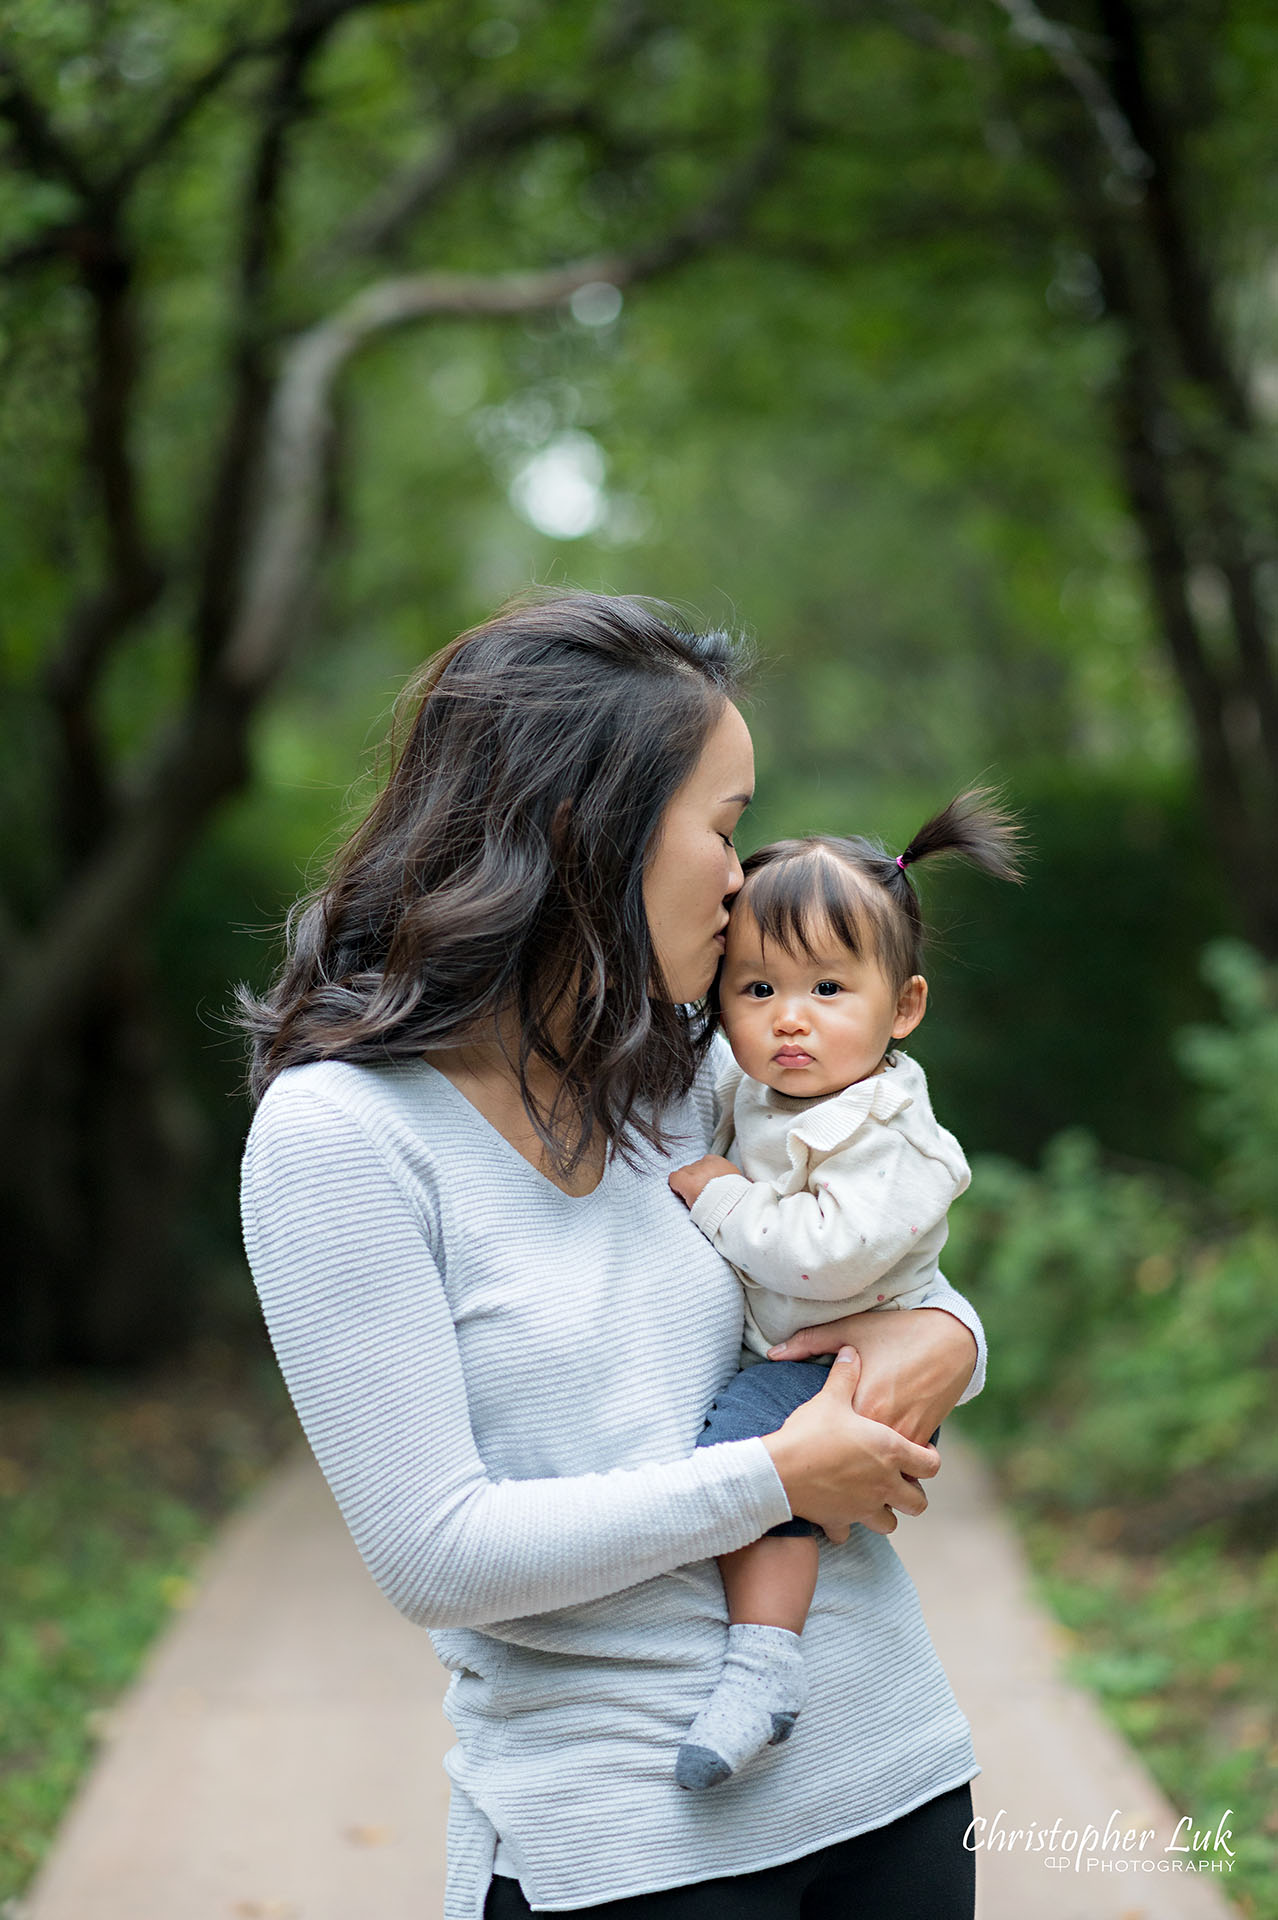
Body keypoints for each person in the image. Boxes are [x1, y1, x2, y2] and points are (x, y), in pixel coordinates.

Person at [237, 592, 988, 1920]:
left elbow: (862, 1255)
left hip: (895, 1780)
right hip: (630, 1848)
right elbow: (439, 1552)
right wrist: (769, 1477)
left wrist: (949, 1337)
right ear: (589, 828)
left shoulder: (689, 1071)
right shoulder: (341, 1137)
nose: (746, 878)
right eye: (723, 825)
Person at [666, 796, 1023, 1790]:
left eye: (828, 986)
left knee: (750, 1457)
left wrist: (724, 1195)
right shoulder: (758, 1089)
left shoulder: (890, 1131)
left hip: (860, 1368)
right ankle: (764, 1652)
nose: (789, 1017)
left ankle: (765, 1664)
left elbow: (822, 1259)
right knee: (756, 1457)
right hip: (812, 1352)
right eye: (757, 987)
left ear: (902, 1008)